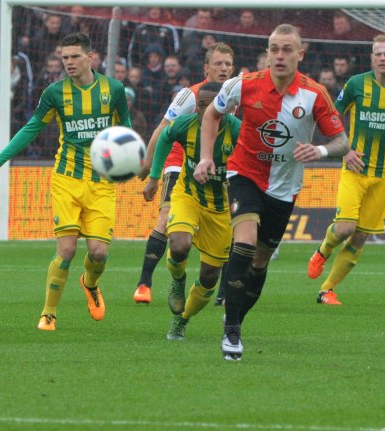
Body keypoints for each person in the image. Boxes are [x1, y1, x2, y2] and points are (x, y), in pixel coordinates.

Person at [194, 24, 349, 361]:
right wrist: (206, 157)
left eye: (286, 50)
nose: (279, 55)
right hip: (244, 175)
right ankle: (232, 332)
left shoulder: (314, 94)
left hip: (284, 188)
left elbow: (341, 141)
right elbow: (211, 113)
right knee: (245, 245)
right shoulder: (244, 84)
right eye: (274, 49)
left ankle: (235, 316)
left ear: (300, 54)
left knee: (260, 263)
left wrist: (320, 152)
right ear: (267, 52)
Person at [0, 32, 131, 331]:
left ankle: (89, 283)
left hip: (101, 183)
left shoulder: (114, 90)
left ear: (90, 57)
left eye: (75, 56)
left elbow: (124, 128)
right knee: (67, 250)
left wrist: (132, 160)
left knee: (99, 253)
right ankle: (49, 313)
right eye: (65, 58)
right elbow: (32, 128)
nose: (69, 62)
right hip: (66, 180)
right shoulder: (55, 93)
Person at [307, 35, 385, 305]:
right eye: (377, 54)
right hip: (355, 169)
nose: (382, 58)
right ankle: (323, 251)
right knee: (345, 229)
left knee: (359, 238)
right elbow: (332, 118)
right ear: (371, 58)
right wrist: (345, 150)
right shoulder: (356, 83)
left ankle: (327, 290)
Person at [133, 42, 236, 304]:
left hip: (219, 167)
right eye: (218, 64)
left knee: (233, 223)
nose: (223, 69)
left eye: (227, 64)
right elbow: (163, 129)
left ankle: (223, 292)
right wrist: (149, 167)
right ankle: (144, 283)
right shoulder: (191, 95)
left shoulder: (236, 94)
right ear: (206, 68)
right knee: (167, 217)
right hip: (182, 163)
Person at [143, 81, 241, 340]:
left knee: (209, 277)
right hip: (188, 196)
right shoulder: (186, 126)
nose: (204, 110)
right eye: (200, 105)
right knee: (178, 244)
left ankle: (182, 319)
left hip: (220, 210)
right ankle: (177, 280)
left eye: (211, 106)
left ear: (226, 108)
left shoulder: (237, 131)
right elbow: (164, 137)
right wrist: (154, 177)